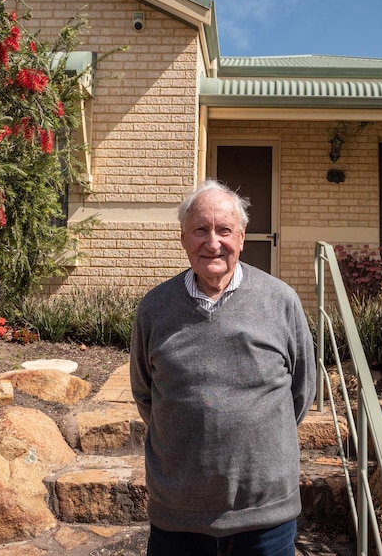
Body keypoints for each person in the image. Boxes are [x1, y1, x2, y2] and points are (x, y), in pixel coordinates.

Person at [130, 179, 317, 556]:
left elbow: (301, 391)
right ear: (183, 238)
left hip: (266, 518)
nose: (213, 243)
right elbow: (145, 393)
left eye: (224, 230)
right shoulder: (154, 308)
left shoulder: (281, 301)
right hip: (178, 518)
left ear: (242, 237)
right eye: (200, 229)